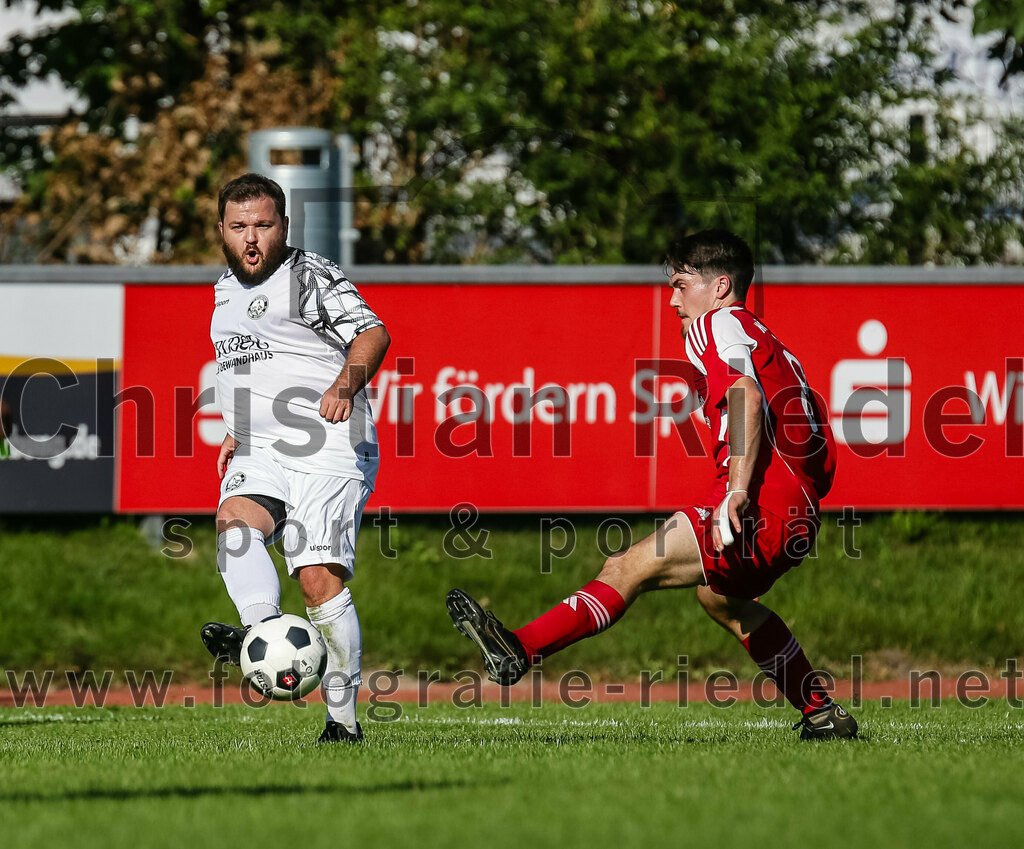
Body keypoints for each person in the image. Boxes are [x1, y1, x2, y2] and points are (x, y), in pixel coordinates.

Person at [447, 229, 857, 741]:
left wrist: (737, 489)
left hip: (758, 502)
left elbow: (744, 395)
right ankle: (821, 712)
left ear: (720, 286)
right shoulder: (767, 342)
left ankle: (520, 649)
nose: (673, 300)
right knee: (721, 600)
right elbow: (813, 448)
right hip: (797, 513)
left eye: (682, 284)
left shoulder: (716, 322)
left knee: (628, 566)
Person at [200, 173, 390, 744]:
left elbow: (373, 334)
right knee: (235, 522)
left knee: (316, 581)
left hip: (328, 443)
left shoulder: (310, 276)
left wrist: (344, 387)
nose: (251, 238)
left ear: (284, 226)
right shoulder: (223, 291)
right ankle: (262, 632)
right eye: (239, 226)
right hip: (261, 447)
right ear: (221, 229)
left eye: (263, 225)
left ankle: (343, 722)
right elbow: (249, 365)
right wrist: (235, 429)